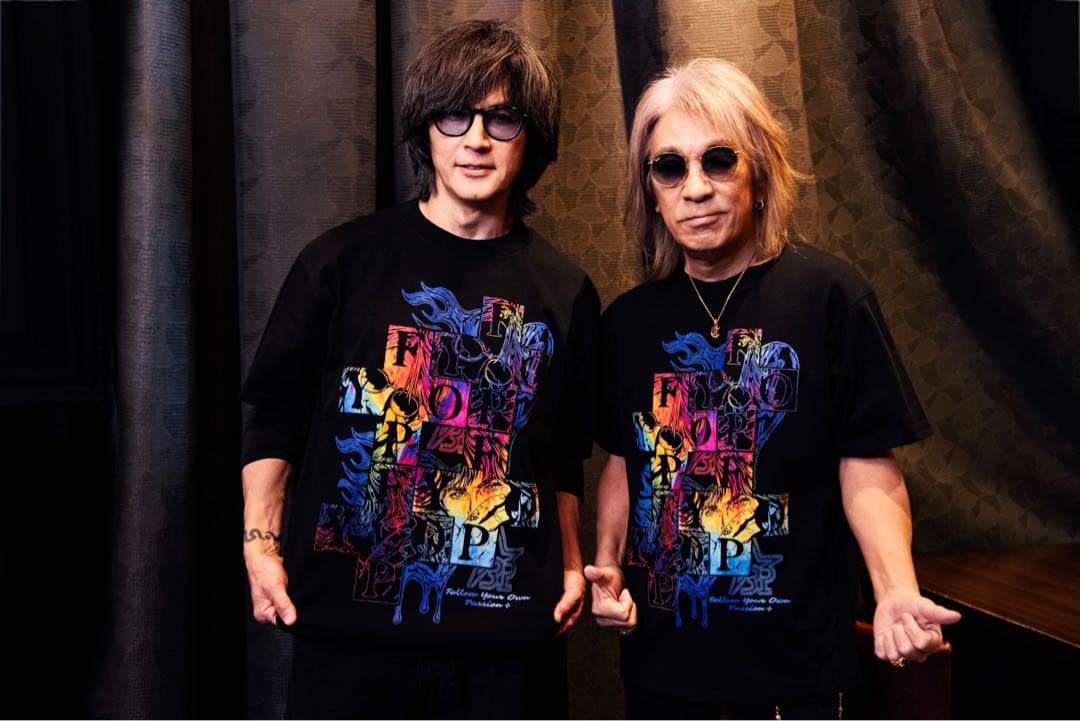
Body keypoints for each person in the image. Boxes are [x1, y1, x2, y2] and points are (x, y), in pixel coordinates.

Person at [240, 20, 598, 719]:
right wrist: (260, 543)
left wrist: (569, 563)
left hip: (503, 640)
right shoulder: (339, 262)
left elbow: (562, 453)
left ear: (532, 137)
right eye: (454, 115)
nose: (476, 139)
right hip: (350, 633)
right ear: (425, 130)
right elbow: (274, 415)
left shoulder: (566, 291)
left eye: (503, 118)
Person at [585, 58, 960, 720]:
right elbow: (624, 457)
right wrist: (608, 564)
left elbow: (866, 462)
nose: (695, 187)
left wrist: (895, 589)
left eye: (718, 160)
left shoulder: (831, 297)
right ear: (651, 190)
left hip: (795, 671)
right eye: (669, 167)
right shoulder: (626, 323)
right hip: (662, 668)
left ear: (758, 171)